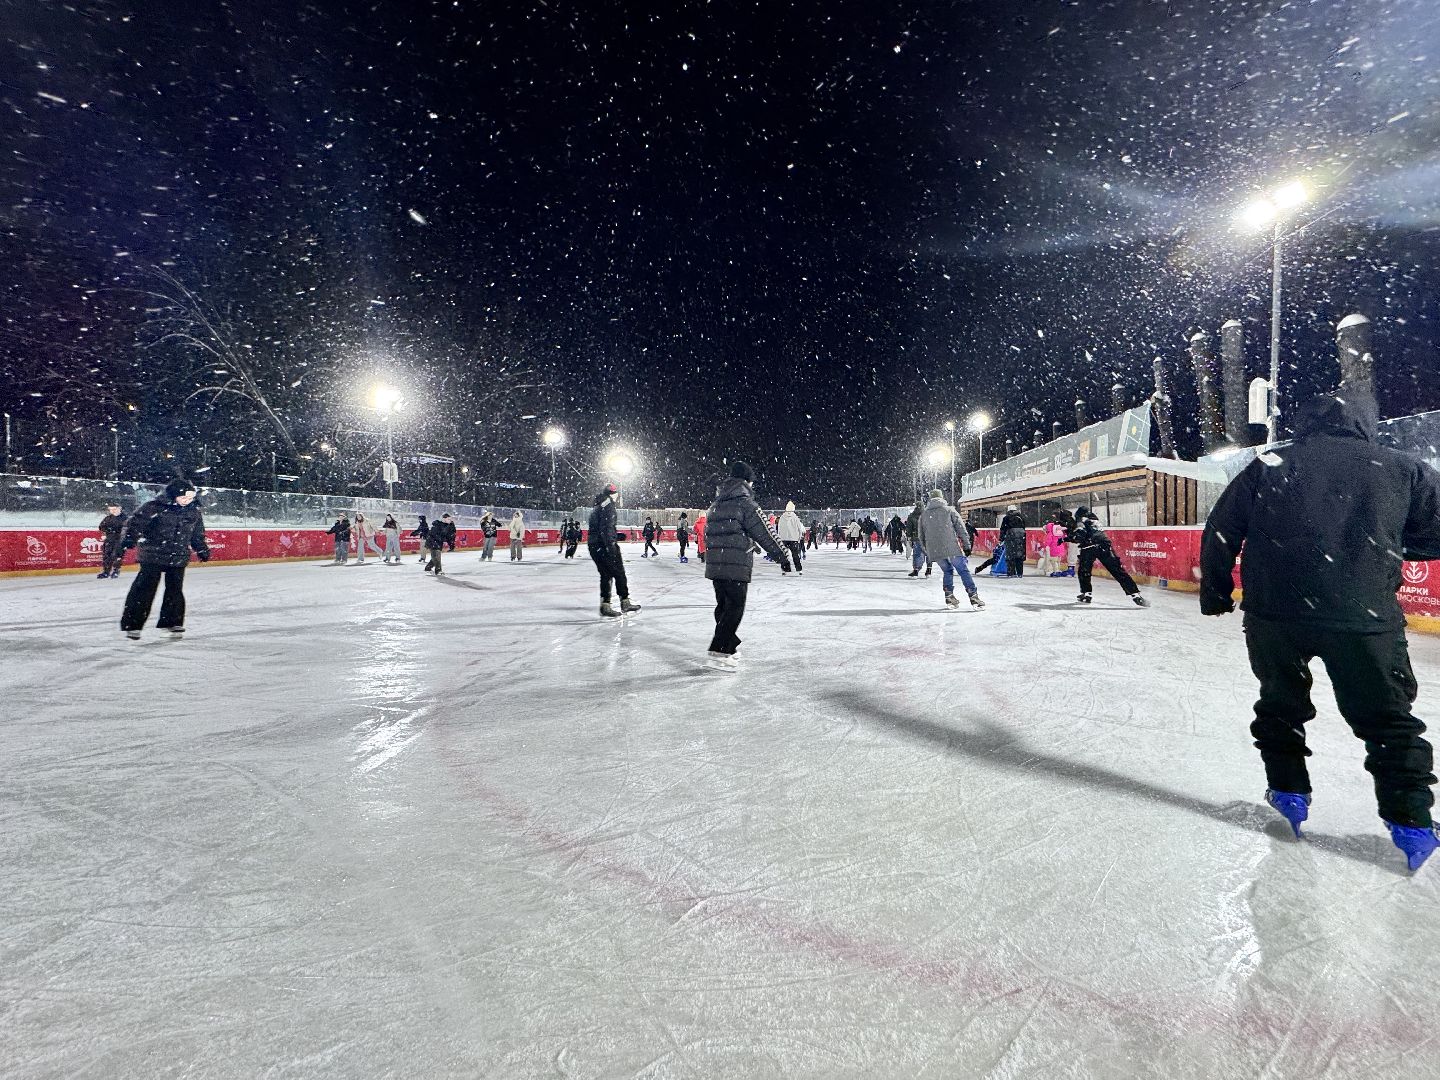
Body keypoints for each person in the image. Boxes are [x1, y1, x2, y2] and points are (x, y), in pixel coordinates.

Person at [1200, 392, 1440, 870]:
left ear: (1303, 423)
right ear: (1361, 424)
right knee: (1388, 720)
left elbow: (1221, 529)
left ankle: (1289, 792)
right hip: (1362, 618)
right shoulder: (1401, 466)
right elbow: (1435, 535)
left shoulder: (1269, 462)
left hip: (1275, 616)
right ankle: (1411, 821)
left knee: (1280, 704)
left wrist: (1216, 592)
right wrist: (1380, 554)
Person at [702, 461, 792, 670]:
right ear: (746, 482)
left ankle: (729, 646)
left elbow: (712, 534)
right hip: (736, 565)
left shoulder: (716, 504)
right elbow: (765, 531)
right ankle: (719, 651)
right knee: (734, 608)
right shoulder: (745, 504)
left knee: (724, 607)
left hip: (716, 564)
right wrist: (781, 554)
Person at [119, 478, 210, 639]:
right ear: (174, 495)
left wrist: (201, 548)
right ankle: (133, 624)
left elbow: (197, 534)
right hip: (153, 554)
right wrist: (129, 538)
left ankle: (172, 621)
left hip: (178, 555)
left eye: (190, 498)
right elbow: (134, 523)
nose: (187, 501)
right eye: (184, 498)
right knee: (144, 589)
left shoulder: (193, 511)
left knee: (175, 590)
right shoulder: (154, 507)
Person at [918, 488, 984, 610]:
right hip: (951, 548)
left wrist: (928, 551)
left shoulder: (924, 515)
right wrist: (967, 546)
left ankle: (949, 596)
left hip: (935, 550)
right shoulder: (949, 510)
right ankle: (973, 596)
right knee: (963, 570)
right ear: (942, 498)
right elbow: (961, 529)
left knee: (947, 570)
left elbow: (920, 537)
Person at [1071, 505, 1147, 606]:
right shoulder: (1095, 519)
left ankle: (1086, 593)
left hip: (1089, 547)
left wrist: (1071, 537)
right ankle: (1135, 594)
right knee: (1117, 570)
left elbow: (1080, 535)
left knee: (1084, 570)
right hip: (1104, 545)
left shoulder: (1081, 521)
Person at [588, 483, 640, 617]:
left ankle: (605, 604)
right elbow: (606, 527)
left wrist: (616, 536)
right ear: (613, 494)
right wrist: (610, 544)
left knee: (606, 574)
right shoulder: (608, 505)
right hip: (604, 545)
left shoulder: (598, 505)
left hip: (595, 545)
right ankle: (624, 602)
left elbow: (600, 527)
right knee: (619, 572)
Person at [97, 503, 127, 579]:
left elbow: (126, 528)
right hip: (109, 539)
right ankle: (106, 572)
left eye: (114, 509)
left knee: (117, 555)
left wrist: (118, 532)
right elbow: (101, 526)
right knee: (107, 555)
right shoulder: (108, 518)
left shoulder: (125, 518)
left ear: (119, 509)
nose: (113, 511)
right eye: (111, 510)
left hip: (120, 540)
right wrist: (108, 530)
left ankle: (116, 571)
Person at [777, 501, 805, 574]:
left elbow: (779, 528)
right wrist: (798, 538)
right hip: (793, 539)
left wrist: (780, 537)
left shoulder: (782, 517)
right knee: (795, 555)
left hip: (784, 539)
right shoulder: (795, 518)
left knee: (784, 555)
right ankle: (799, 569)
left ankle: (785, 570)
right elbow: (799, 529)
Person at [904, 502, 932, 578]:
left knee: (918, 553)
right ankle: (929, 570)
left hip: (917, 538)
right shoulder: (928, 515)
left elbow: (909, 528)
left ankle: (916, 570)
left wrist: (909, 536)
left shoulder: (912, 516)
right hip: (928, 537)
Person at [999, 504, 1028, 577]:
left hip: (1011, 538)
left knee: (1010, 556)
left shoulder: (1006, 518)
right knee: (1019, 556)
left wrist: (1001, 539)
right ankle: (1020, 573)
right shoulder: (1021, 517)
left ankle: (1011, 573)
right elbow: (1024, 528)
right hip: (1021, 539)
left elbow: (1003, 529)